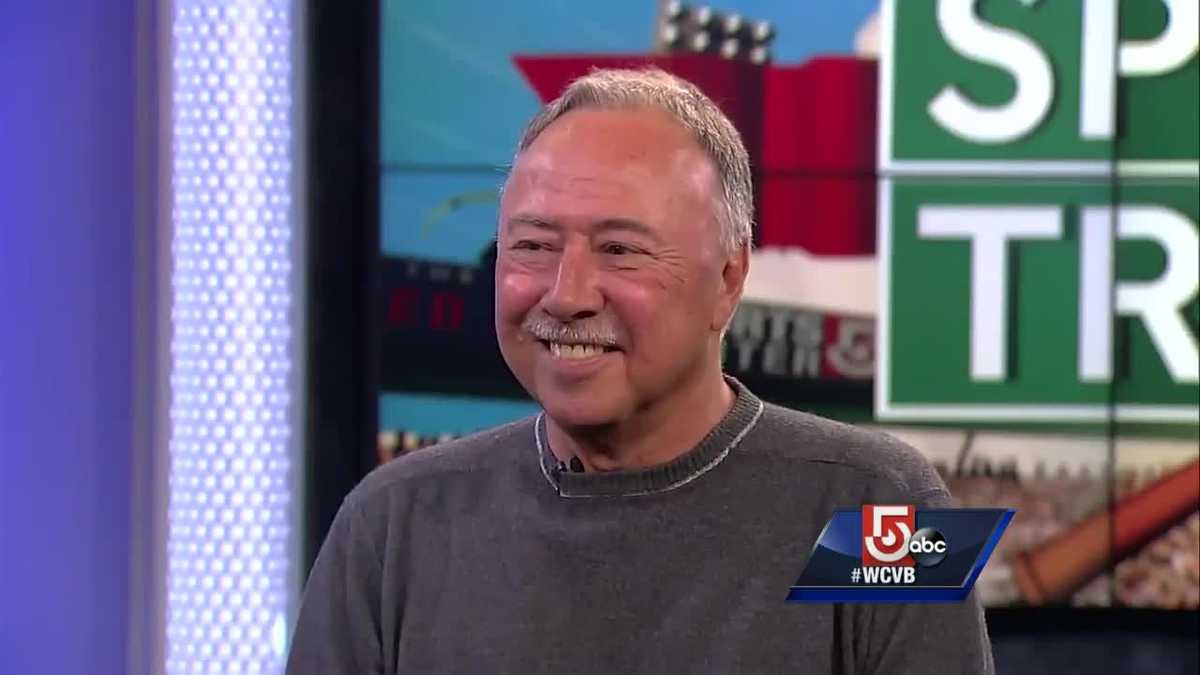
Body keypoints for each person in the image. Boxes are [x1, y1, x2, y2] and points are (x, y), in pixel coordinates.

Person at [287, 68, 994, 674]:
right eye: (531, 245)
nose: (565, 294)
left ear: (728, 276)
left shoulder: (888, 504)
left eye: (620, 250)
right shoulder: (390, 523)